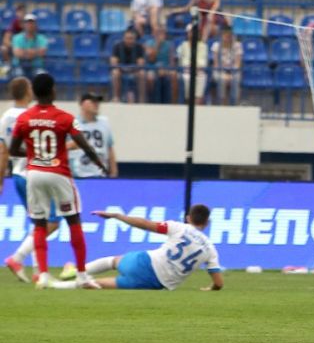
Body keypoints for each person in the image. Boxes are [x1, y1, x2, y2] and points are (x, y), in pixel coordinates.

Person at [8, 73, 108, 288]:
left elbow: (13, 149)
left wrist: (36, 155)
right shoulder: (65, 117)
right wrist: (99, 163)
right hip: (58, 172)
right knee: (73, 221)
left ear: (34, 92)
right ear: (53, 91)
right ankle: (82, 275)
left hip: (33, 174)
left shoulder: (24, 118)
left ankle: (42, 274)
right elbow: (84, 144)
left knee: (39, 225)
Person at [48, 205, 222, 290]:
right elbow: (219, 283)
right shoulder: (210, 249)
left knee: (113, 261)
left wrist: (117, 215)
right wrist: (211, 288)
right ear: (207, 222)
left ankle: (78, 270)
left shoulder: (179, 227)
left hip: (145, 262)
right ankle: (55, 286)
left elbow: (145, 224)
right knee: (97, 284)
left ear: (188, 217)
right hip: (156, 283)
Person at [1, 78, 43, 283]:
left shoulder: (6, 116)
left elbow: (3, 151)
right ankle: (19, 259)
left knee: (38, 222)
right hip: (33, 175)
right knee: (48, 222)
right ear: (27, 92)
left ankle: (37, 270)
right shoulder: (31, 116)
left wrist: (1, 179)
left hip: (17, 174)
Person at [68, 92, 117, 179]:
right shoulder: (73, 124)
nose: (96, 104)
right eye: (92, 101)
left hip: (100, 174)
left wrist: (114, 172)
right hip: (78, 174)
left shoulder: (104, 123)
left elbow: (109, 148)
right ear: (82, 104)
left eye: (97, 102)